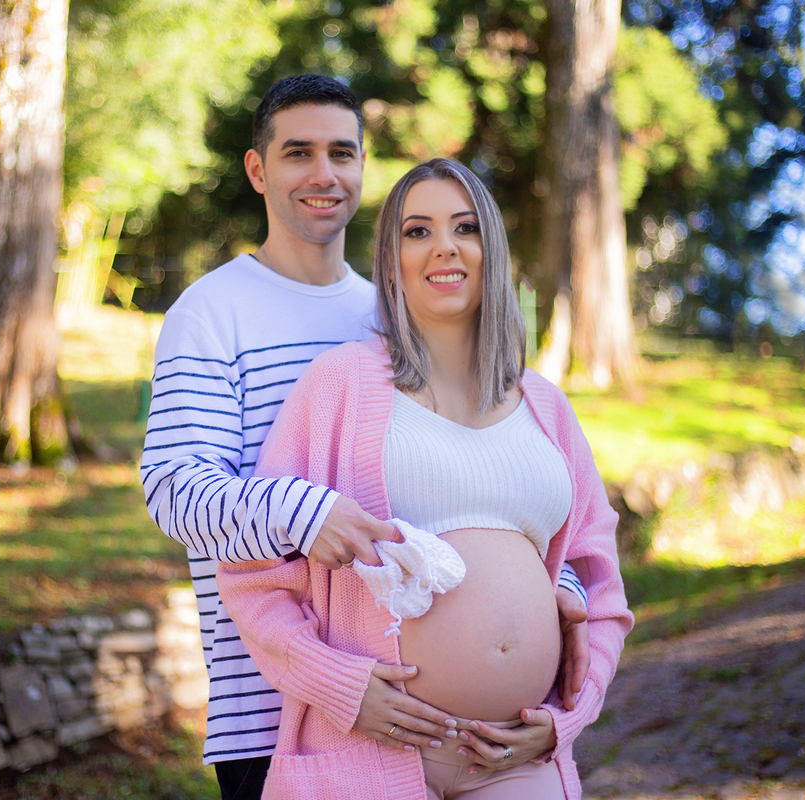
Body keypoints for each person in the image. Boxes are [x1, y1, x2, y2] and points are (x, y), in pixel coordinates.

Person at [140, 76, 591, 800]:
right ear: (258, 170)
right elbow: (174, 491)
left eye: (342, 153)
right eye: (298, 154)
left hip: (440, 712)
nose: (324, 174)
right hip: (272, 705)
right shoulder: (211, 311)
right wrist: (304, 515)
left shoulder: (393, 315)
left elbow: (467, 482)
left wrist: (546, 584)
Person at [217, 158, 633, 800]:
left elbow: (598, 584)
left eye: (465, 227)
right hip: (364, 753)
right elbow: (254, 575)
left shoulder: (546, 406)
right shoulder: (339, 388)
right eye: (418, 231)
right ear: (391, 261)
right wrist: (339, 687)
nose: (444, 245)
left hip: (515, 763)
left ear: (490, 248)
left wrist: (564, 721)